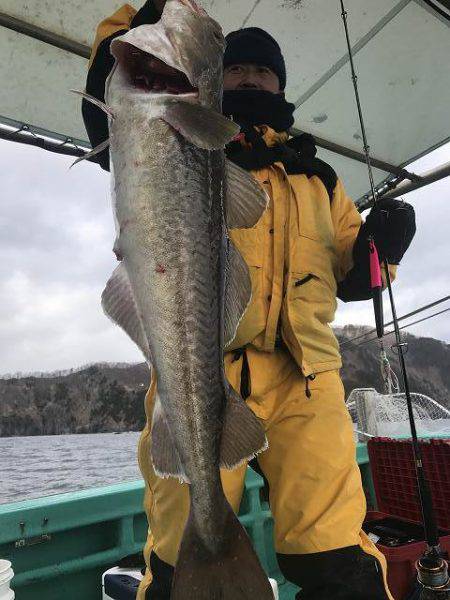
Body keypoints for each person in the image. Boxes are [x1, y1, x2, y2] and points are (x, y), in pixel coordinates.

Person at [82, 2, 416, 598]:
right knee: (175, 556)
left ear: (281, 85)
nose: (250, 78)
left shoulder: (321, 179)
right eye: (237, 70)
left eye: (263, 72)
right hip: (205, 369)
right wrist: (142, 20)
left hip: (308, 380)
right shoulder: (192, 141)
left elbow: (356, 277)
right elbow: (104, 97)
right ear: (217, 80)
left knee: (340, 561)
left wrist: (382, 248)